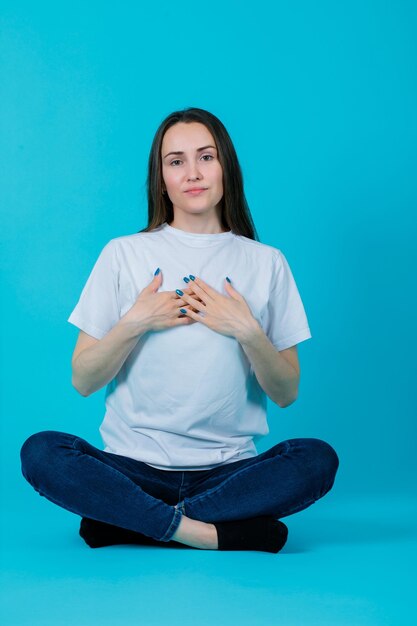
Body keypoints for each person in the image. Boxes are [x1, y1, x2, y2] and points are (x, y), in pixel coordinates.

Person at [20, 107, 339, 553]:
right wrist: (136, 321)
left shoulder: (267, 263)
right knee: (42, 451)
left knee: (316, 458)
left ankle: (128, 520)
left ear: (226, 165)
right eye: (176, 161)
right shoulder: (123, 254)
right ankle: (204, 533)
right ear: (161, 177)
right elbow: (84, 380)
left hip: (230, 471)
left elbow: (286, 393)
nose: (193, 173)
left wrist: (247, 330)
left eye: (206, 157)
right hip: (133, 468)